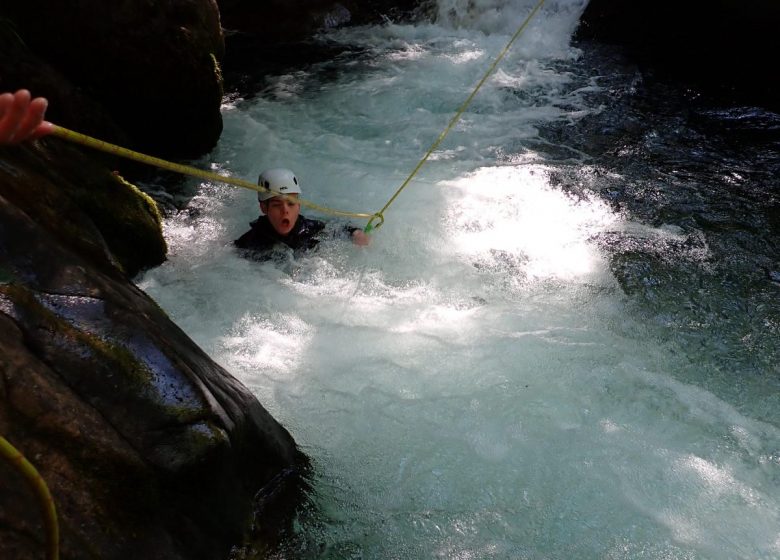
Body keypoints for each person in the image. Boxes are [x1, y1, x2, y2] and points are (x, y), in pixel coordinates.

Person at [234, 167, 370, 259]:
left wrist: (356, 233)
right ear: (264, 208)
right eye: (277, 205)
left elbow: (339, 227)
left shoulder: (311, 230)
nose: (285, 210)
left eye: (291, 203)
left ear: (299, 206)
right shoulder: (250, 242)